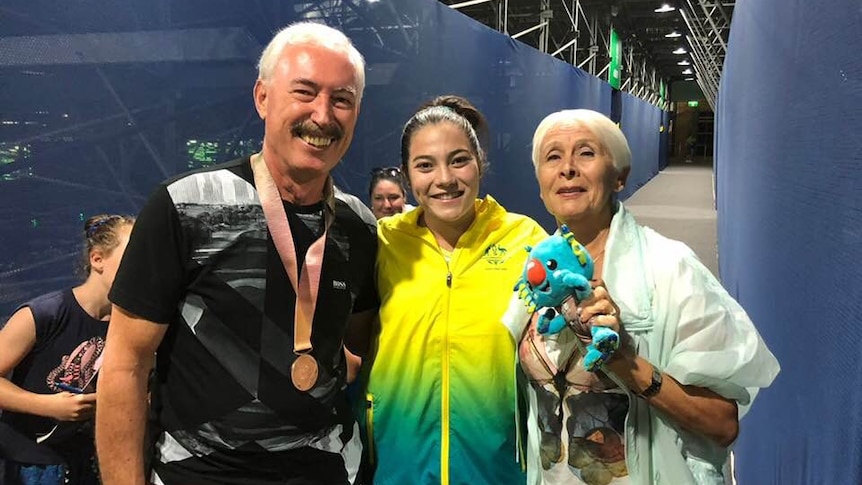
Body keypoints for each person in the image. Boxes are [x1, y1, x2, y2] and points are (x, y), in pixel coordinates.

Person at [95, 22, 378, 485]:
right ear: (262, 98)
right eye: (304, 92)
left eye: (341, 99)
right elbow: (125, 364)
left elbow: (362, 343)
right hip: (199, 474)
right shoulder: (184, 206)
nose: (323, 115)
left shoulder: (358, 226)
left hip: (322, 472)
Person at [503, 109, 780, 484]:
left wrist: (625, 361)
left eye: (585, 153)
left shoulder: (671, 268)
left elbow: (722, 423)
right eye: (553, 156)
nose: (567, 168)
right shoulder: (533, 276)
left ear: (620, 176)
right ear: (541, 183)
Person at [360, 95, 548, 484]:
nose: (444, 179)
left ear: (480, 164)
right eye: (425, 165)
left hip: (498, 470)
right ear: (408, 177)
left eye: (459, 160)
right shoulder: (382, 241)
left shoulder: (525, 239)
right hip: (400, 467)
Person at [0, 214, 134, 485]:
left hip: (89, 460)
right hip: (30, 461)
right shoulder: (44, 313)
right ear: (97, 259)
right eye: (133, 255)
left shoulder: (132, 325)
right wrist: (48, 405)